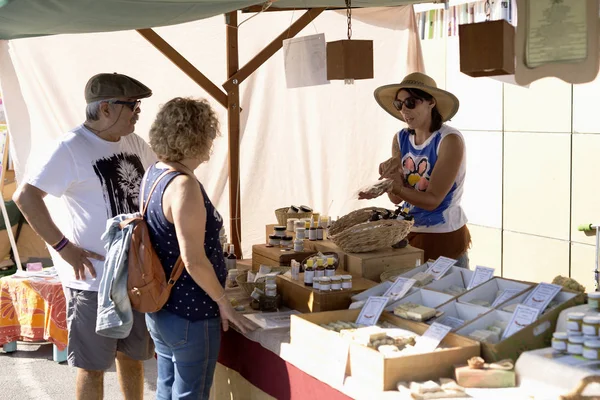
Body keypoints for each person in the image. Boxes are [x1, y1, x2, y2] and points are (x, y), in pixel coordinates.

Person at [13, 73, 157, 400]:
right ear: (105, 108)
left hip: (137, 276)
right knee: (92, 367)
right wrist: (65, 249)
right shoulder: (70, 148)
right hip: (95, 282)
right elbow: (26, 197)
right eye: (132, 105)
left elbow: (159, 181)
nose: (138, 111)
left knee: (134, 359)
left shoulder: (135, 142)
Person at [142, 97, 255, 400]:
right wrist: (224, 302)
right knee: (191, 395)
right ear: (197, 136)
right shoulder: (183, 186)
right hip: (190, 311)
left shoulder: (155, 173)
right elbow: (193, 259)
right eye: (208, 132)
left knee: (167, 389)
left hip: (163, 307)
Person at [359, 72, 470, 267]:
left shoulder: (449, 140)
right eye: (399, 104)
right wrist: (388, 181)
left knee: (443, 295)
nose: (404, 110)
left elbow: (433, 201)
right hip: (408, 232)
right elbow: (397, 199)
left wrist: (393, 186)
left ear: (431, 103)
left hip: (444, 235)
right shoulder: (401, 138)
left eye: (411, 102)